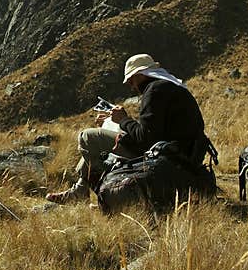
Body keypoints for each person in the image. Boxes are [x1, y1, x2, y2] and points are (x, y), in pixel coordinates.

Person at [46, 53, 206, 204]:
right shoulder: (171, 88)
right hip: (182, 156)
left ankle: (102, 198)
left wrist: (123, 120)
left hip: (164, 157)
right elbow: (154, 130)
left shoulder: (154, 91)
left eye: (131, 81)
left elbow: (145, 139)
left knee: (88, 138)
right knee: (92, 151)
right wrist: (118, 122)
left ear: (140, 75)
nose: (131, 86)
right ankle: (80, 192)